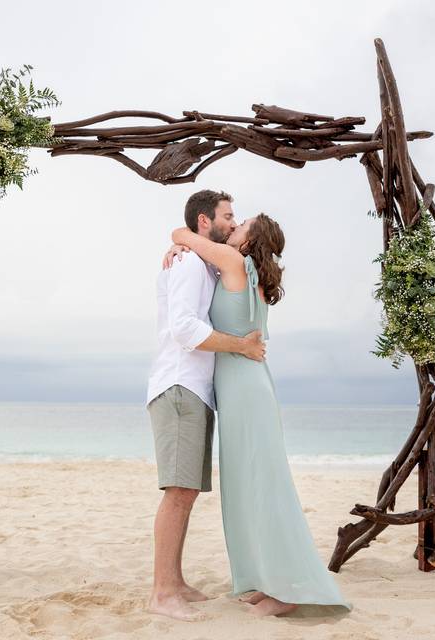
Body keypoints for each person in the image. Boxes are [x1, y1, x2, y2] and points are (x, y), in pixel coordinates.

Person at [167, 212, 352, 617]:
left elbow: (181, 231)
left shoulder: (234, 262)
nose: (234, 227)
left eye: (242, 224)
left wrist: (180, 240)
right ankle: (266, 580)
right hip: (244, 388)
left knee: (263, 488)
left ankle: (285, 590)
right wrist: (183, 247)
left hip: (246, 392)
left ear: (250, 242)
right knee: (247, 488)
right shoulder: (246, 271)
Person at [146, 190, 267, 622]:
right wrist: (241, 346)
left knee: (188, 490)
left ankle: (174, 582)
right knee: (178, 492)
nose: (233, 224)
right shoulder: (190, 263)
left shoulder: (203, 262)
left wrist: (179, 237)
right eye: (227, 217)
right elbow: (183, 328)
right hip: (179, 386)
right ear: (205, 221)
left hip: (195, 390)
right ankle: (162, 592)